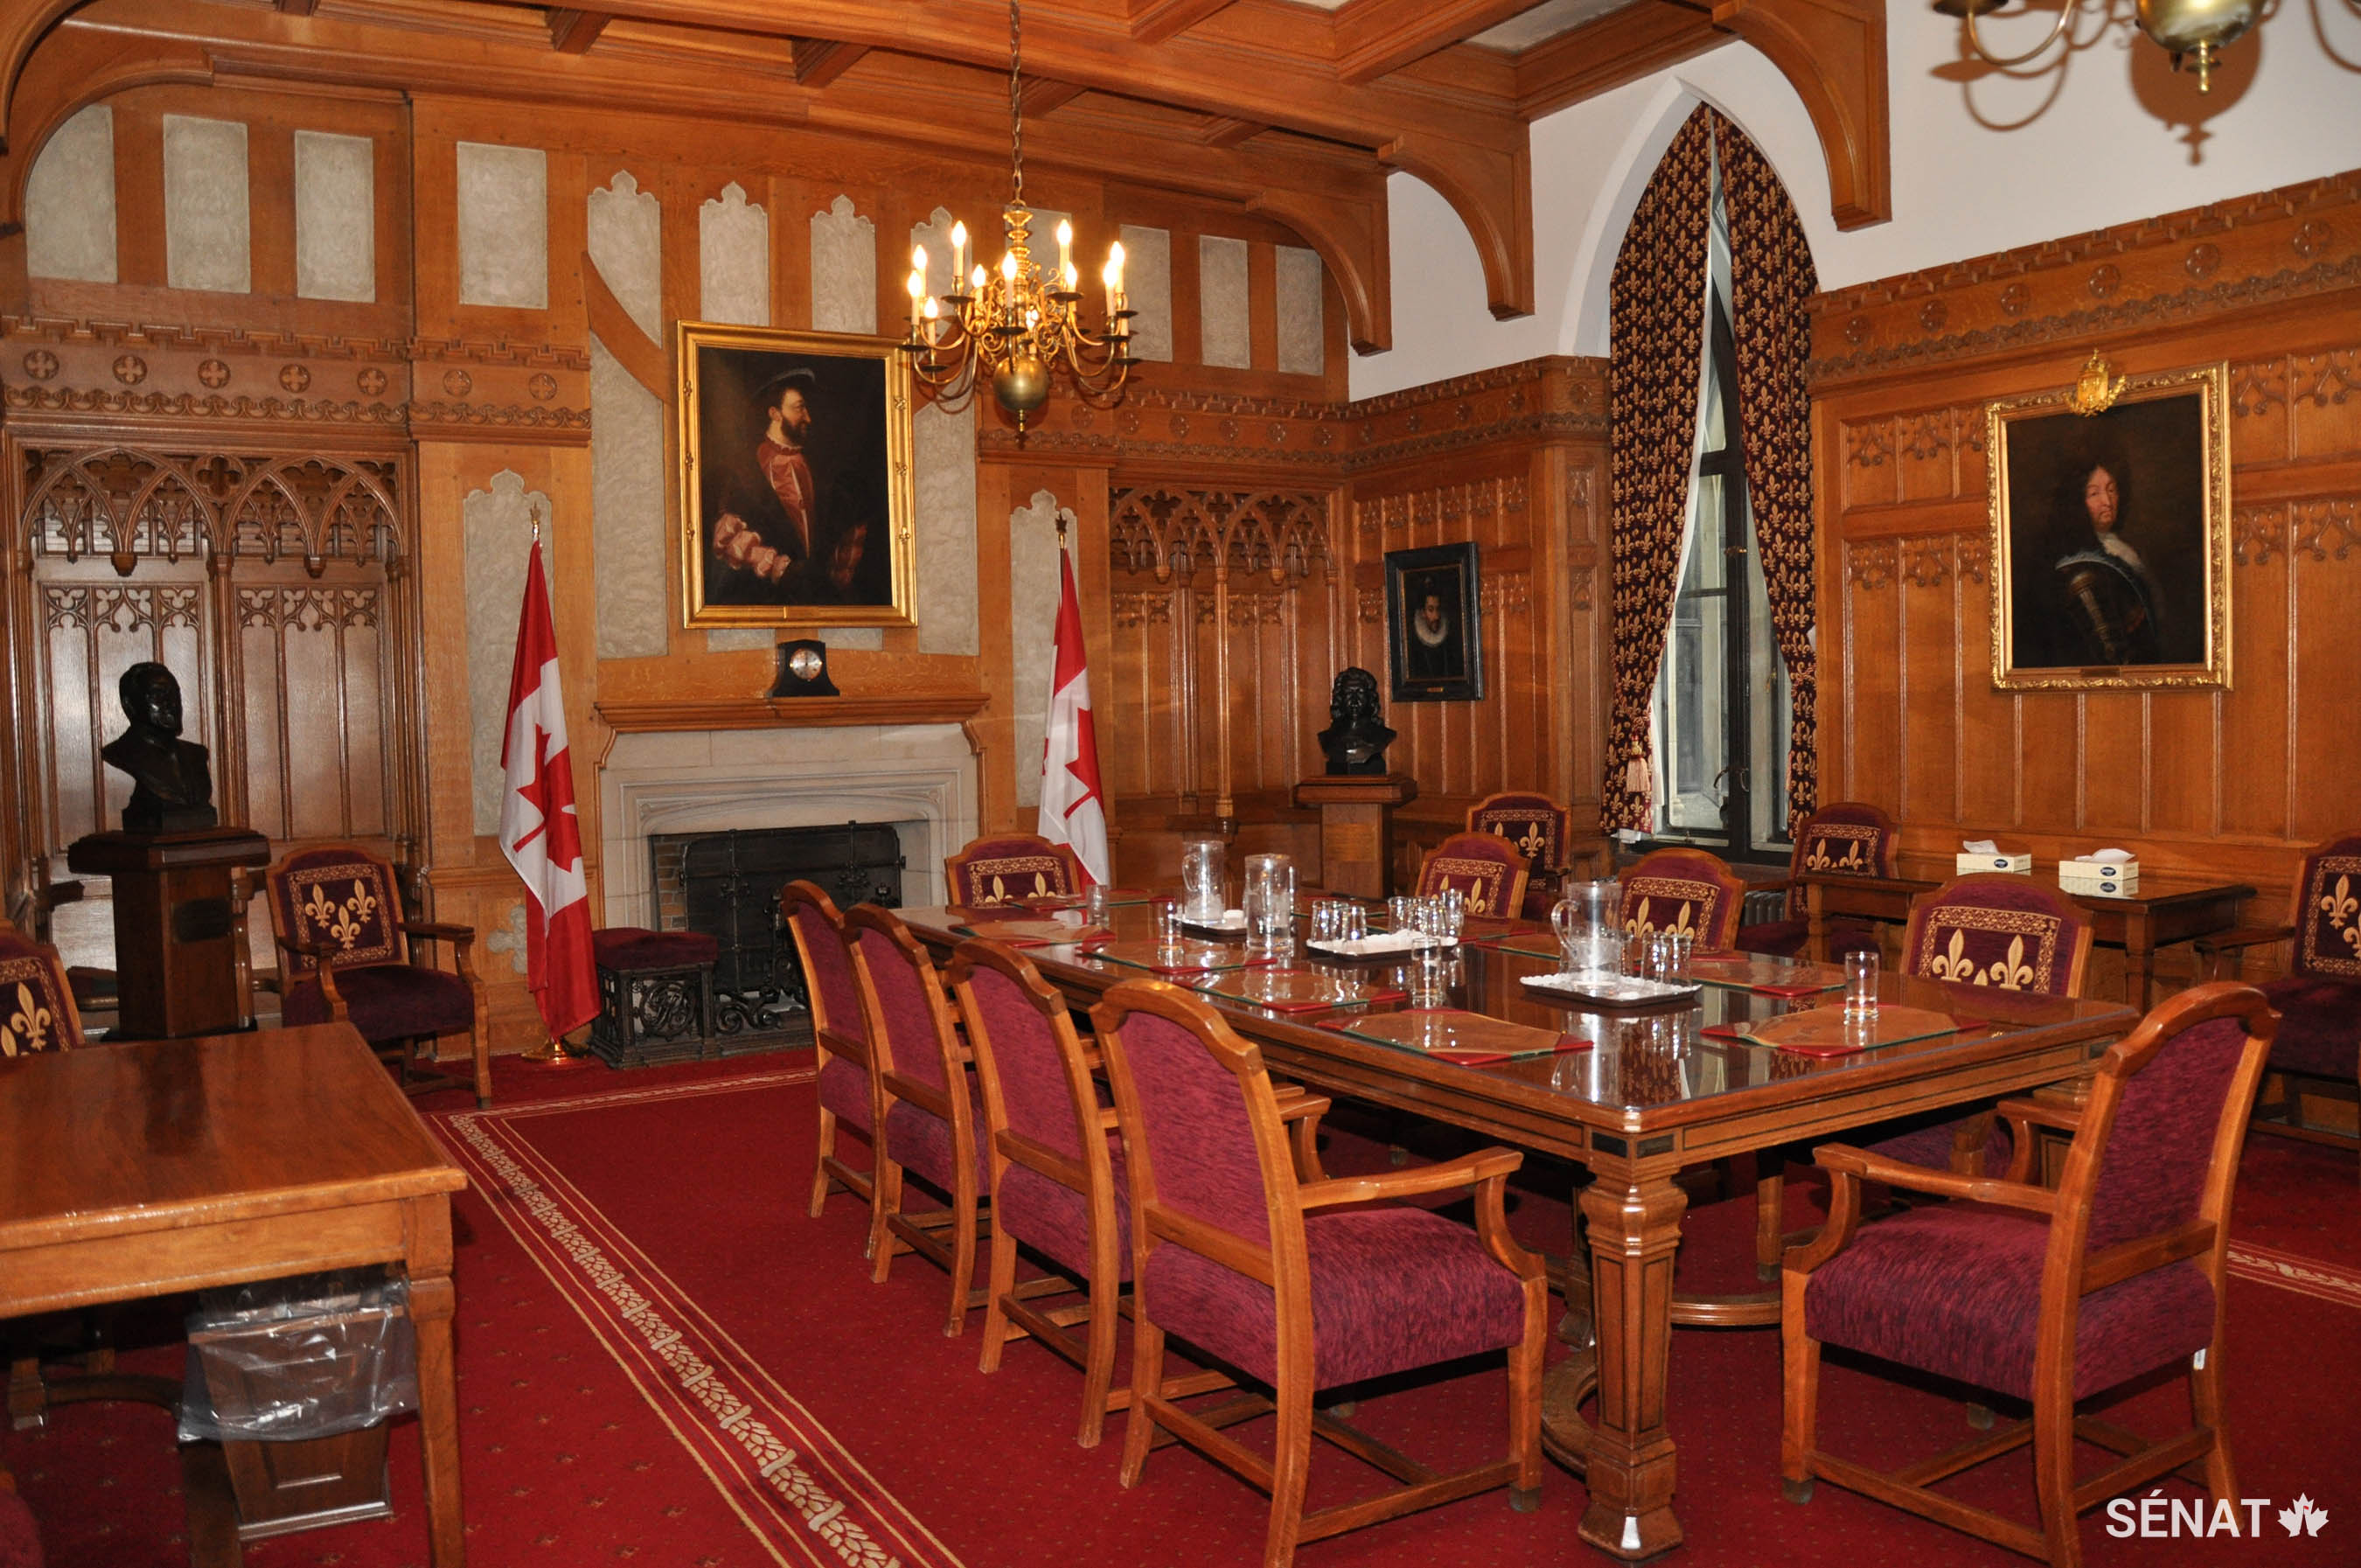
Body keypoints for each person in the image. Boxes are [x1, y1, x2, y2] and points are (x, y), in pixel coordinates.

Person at [710, 367, 820, 596]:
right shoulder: (743, 471)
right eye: (799, 408)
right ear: (775, 413)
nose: (808, 418)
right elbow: (725, 546)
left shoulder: (814, 467)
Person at [2048, 459, 2166, 666]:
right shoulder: (2081, 571)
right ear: (2076, 502)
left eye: (2112, 490)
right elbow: (2112, 657)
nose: (2107, 501)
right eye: (2094, 494)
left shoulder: (2124, 550)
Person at [99, 662, 217, 833]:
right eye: (157, 695)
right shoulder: (122, 754)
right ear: (129, 705)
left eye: (175, 694)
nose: (172, 703)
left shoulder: (196, 755)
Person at [1317, 668, 1396, 776]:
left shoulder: (1383, 735)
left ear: (1370, 698)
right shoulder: (1327, 738)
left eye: (1360, 693)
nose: (1354, 701)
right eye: (1349, 693)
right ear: (1340, 698)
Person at [1404, 587, 1462, 681]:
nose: (1437, 616)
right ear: (1423, 613)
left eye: (1438, 609)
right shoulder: (1412, 643)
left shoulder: (1449, 640)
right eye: (1431, 610)